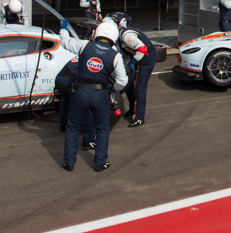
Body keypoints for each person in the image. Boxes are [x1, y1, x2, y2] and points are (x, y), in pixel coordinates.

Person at [57, 20, 127, 172]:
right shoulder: (115, 56)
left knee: (73, 127)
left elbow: (65, 42)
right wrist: (111, 88)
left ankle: (68, 163)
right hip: (100, 94)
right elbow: (123, 81)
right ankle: (100, 163)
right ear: (113, 38)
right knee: (102, 129)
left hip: (80, 92)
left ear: (98, 33)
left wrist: (63, 28)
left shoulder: (84, 45)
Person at [118, 24, 157, 127]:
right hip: (138, 56)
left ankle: (139, 117)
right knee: (129, 83)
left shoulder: (125, 36)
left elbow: (142, 49)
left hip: (146, 58)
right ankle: (132, 109)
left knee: (140, 87)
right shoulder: (120, 33)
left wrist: (133, 62)